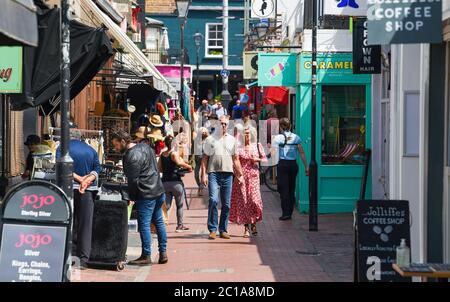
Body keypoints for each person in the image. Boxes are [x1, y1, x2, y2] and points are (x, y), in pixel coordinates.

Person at [112, 130, 168, 265]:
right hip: (158, 190)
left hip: (146, 194)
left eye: (116, 145)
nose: (116, 148)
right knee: (159, 221)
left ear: (123, 141)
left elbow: (133, 180)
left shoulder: (130, 156)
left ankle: (146, 255)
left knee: (144, 224)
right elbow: (153, 167)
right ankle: (163, 252)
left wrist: (131, 197)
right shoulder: (145, 147)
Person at [56, 130, 100, 270]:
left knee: (67, 221)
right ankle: (83, 259)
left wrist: (80, 179)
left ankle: (65, 256)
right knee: (85, 224)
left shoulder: (62, 148)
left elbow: (61, 165)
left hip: (68, 189)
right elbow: (97, 169)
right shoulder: (91, 150)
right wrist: (87, 180)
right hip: (87, 191)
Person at [201, 115, 245, 240]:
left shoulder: (232, 140)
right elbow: (204, 159)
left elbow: (236, 159)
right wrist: (203, 175)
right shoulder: (209, 140)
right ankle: (212, 229)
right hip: (213, 173)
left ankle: (223, 229)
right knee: (213, 200)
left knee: (226, 204)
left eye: (225, 124)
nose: (223, 126)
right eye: (221, 123)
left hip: (228, 174)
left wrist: (240, 175)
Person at [230, 126, 267, 237]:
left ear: (252, 134)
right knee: (244, 202)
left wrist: (258, 159)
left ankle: (254, 222)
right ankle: (246, 228)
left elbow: (265, 159)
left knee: (254, 200)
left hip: (254, 177)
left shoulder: (257, 146)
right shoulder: (239, 146)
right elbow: (234, 161)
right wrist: (237, 175)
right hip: (242, 177)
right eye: (245, 133)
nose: (246, 135)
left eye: (248, 133)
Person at [271, 118, 309, 220]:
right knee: (291, 189)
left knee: (283, 189)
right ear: (290, 126)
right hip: (293, 165)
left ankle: (285, 213)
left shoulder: (278, 138)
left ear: (281, 127)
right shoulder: (296, 137)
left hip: (283, 165)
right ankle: (289, 212)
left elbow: (273, 153)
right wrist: (306, 166)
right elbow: (301, 152)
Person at [158, 135, 193, 232]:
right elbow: (179, 163)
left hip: (165, 183)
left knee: (166, 206)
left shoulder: (162, 155)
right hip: (176, 182)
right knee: (179, 205)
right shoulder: (174, 153)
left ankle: (158, 223)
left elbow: (159, 168)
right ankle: (179, 226)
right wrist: (189, 166)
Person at [194, 127, 209, 196]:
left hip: (205, 160)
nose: (203, 133)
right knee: (196, 175)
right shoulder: (196, 140)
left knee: (203, 174)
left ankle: (201, 188)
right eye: (201, 132)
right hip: (197, 160)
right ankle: (199, 185)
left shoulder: (208, 140)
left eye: (204, 132)